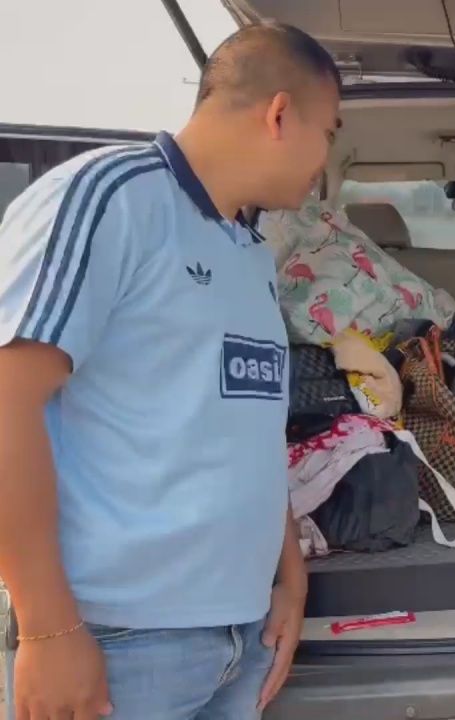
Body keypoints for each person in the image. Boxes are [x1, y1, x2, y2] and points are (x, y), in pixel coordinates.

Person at [0, 22, 341, 720]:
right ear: (280, 114)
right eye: (329, 133)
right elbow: (7, 399)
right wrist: (48, 627)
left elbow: (244, 432)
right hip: (118, 642)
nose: (325, 161)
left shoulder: (248, 251)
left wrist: (289, 578)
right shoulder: (110, 199)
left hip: (241, 639)